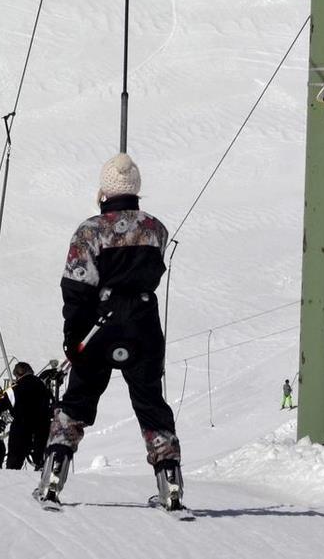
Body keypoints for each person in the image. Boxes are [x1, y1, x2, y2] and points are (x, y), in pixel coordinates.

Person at [35, 153, 186, 512]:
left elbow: (76, 287)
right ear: (136, 189)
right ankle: (170, 482)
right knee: (150, 403)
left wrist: (74, 337)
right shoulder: (156, 229)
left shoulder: (89, 231)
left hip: (97, 328)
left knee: (77, 402)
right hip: (144, 327)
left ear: (104, 191)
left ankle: (53, 475)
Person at [4, 362, 52, 470]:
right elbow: (51, 404)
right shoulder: (42, 386)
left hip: (21, 429)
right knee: (41, 462)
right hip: (41, 429)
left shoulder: (15, 388)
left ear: (17, 374)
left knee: (13, 465)